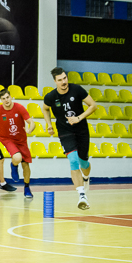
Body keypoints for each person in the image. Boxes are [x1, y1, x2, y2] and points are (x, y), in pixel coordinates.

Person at [41, 67, 97, 210]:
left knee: (83, 163)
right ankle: (82, 196)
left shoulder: (77, 89)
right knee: (73, 160)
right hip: (65, 131)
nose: (64, 82)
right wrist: (49, 124)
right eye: (60, 80)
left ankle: (86, 178)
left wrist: (79, 118)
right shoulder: (51, 96)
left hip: (81, 130)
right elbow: (45, 108)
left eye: (65, 78)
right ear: (55, 81)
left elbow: (93, 105)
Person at [0, 88, 35, 198]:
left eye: (7, 97)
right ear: (1, 100)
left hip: (21, 139)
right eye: (3, 98)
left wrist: (30, 129)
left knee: (26, 164)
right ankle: (14, 165)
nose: (6, 100)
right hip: (7, 139)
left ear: (11, 97)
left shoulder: (19, 107)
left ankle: (27, 188)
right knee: (17, 157)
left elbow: (31, 122)